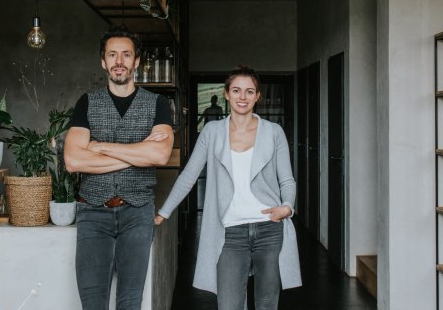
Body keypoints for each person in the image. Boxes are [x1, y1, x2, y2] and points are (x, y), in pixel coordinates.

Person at [155, 65, 301, 310]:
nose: (242, 97)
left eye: (249, 91)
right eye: (236, 90)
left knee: (267, 304)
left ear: (257, 96)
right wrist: (163, 213)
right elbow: (189, 175)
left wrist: (287, 207)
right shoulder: (212, 132)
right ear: (226, 94)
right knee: (229, 305)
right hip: (229, 232)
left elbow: (287, 180)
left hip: (269, 228)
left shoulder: (273, 132)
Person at [64, 26, 174, 310]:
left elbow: (160, 155)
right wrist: (139, 152)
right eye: (112, 55)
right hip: (92, 211)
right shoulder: (87, 103)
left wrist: (99, 146)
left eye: (126, 54)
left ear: (137, 61)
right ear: (103, 62)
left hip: (137, 212)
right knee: (93, 303)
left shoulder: (158, 104)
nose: (119, 61)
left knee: (130, 302)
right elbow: (73, 160)